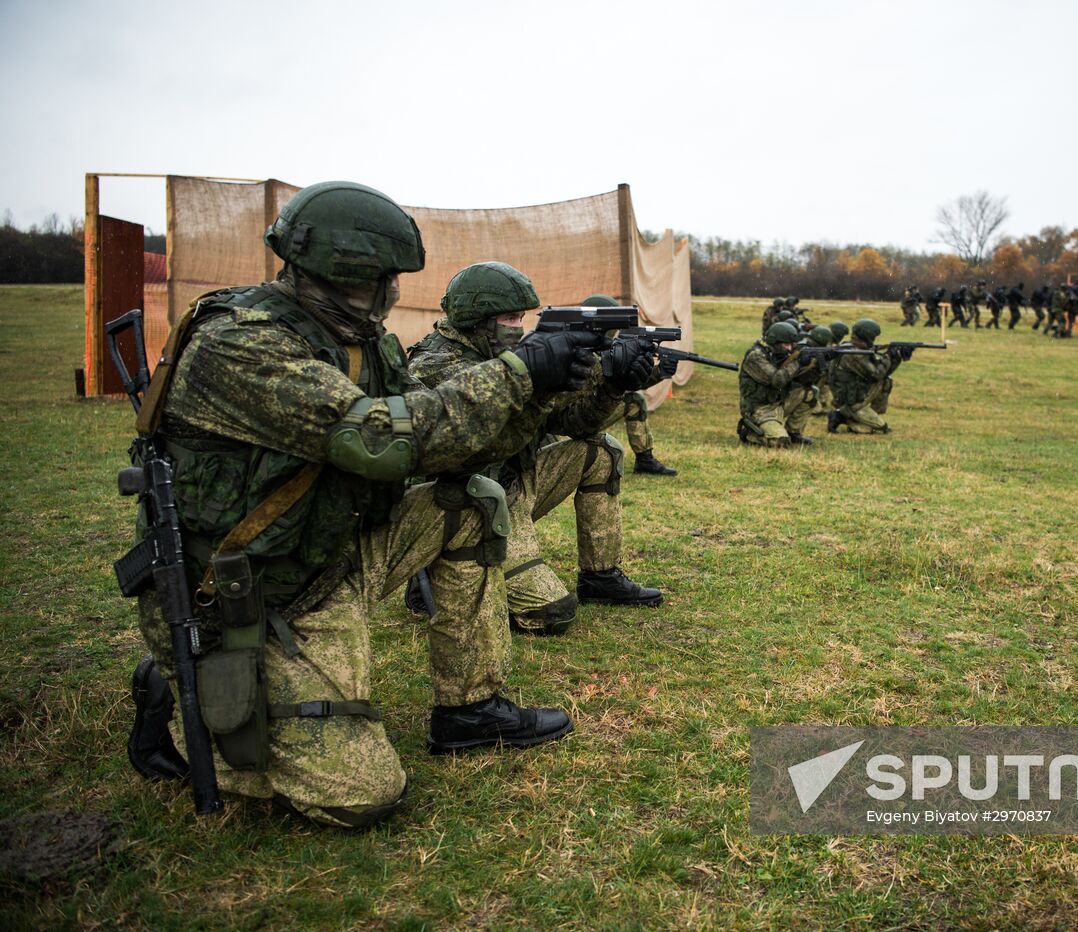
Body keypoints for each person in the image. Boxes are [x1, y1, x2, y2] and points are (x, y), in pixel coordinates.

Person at [123, 181, 604, 829]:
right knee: (361, 795)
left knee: (471, 498)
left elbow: (448, 447)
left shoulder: (364, 339)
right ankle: (179, 698)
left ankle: (468, 708)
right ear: (353, 273)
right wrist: (520, 373)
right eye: (386, 277)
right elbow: (380, 437)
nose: (396, 293)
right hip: (250, 591)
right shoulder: (241, 345)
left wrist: (541, 392)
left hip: (330, 545)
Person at [407, 263, 664, 640]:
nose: (519, 327)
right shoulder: (438, 365)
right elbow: (484, 443)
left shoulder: (505, 355)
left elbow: (572, 424)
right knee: (551, 613)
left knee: (600, 451)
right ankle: (434, 569)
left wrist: (611, 384)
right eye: (510, 318)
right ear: (478, 319)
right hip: (472, 504)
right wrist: (552, 382)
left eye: (521, 318)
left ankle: (600, 575)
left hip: (514, 483)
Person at [578, 294, 676, 476]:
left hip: (585, 413)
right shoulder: (587, 354)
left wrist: (659, 372)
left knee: (634, 400)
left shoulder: (596, 348)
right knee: (634, 400)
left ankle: (645, 460)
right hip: (572, 422)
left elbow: (627, 383)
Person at [737, 321, 819, 447]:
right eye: (786, 345)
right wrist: (798, 363)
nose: (790, 348)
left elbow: (800, 380)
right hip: (760, 409)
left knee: (810, 393)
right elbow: (777, 380)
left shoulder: (778, 353)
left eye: (792, 345)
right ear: (774, 341)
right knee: (781, 443)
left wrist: (814, 365)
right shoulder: (756, 356)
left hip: (778, 402)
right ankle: (751, 433)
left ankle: (794, 433)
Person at [827, 318, 909, 434]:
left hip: (853, 394)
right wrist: (888, 357)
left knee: (886, 381)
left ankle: (856, 416)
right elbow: (877, 374)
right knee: (879, 430)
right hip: (851, 401)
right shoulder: (854, 355)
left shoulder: (854, 347)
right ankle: (840, 415)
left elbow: (884, 373)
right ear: (867, 337)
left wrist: (896, 358)